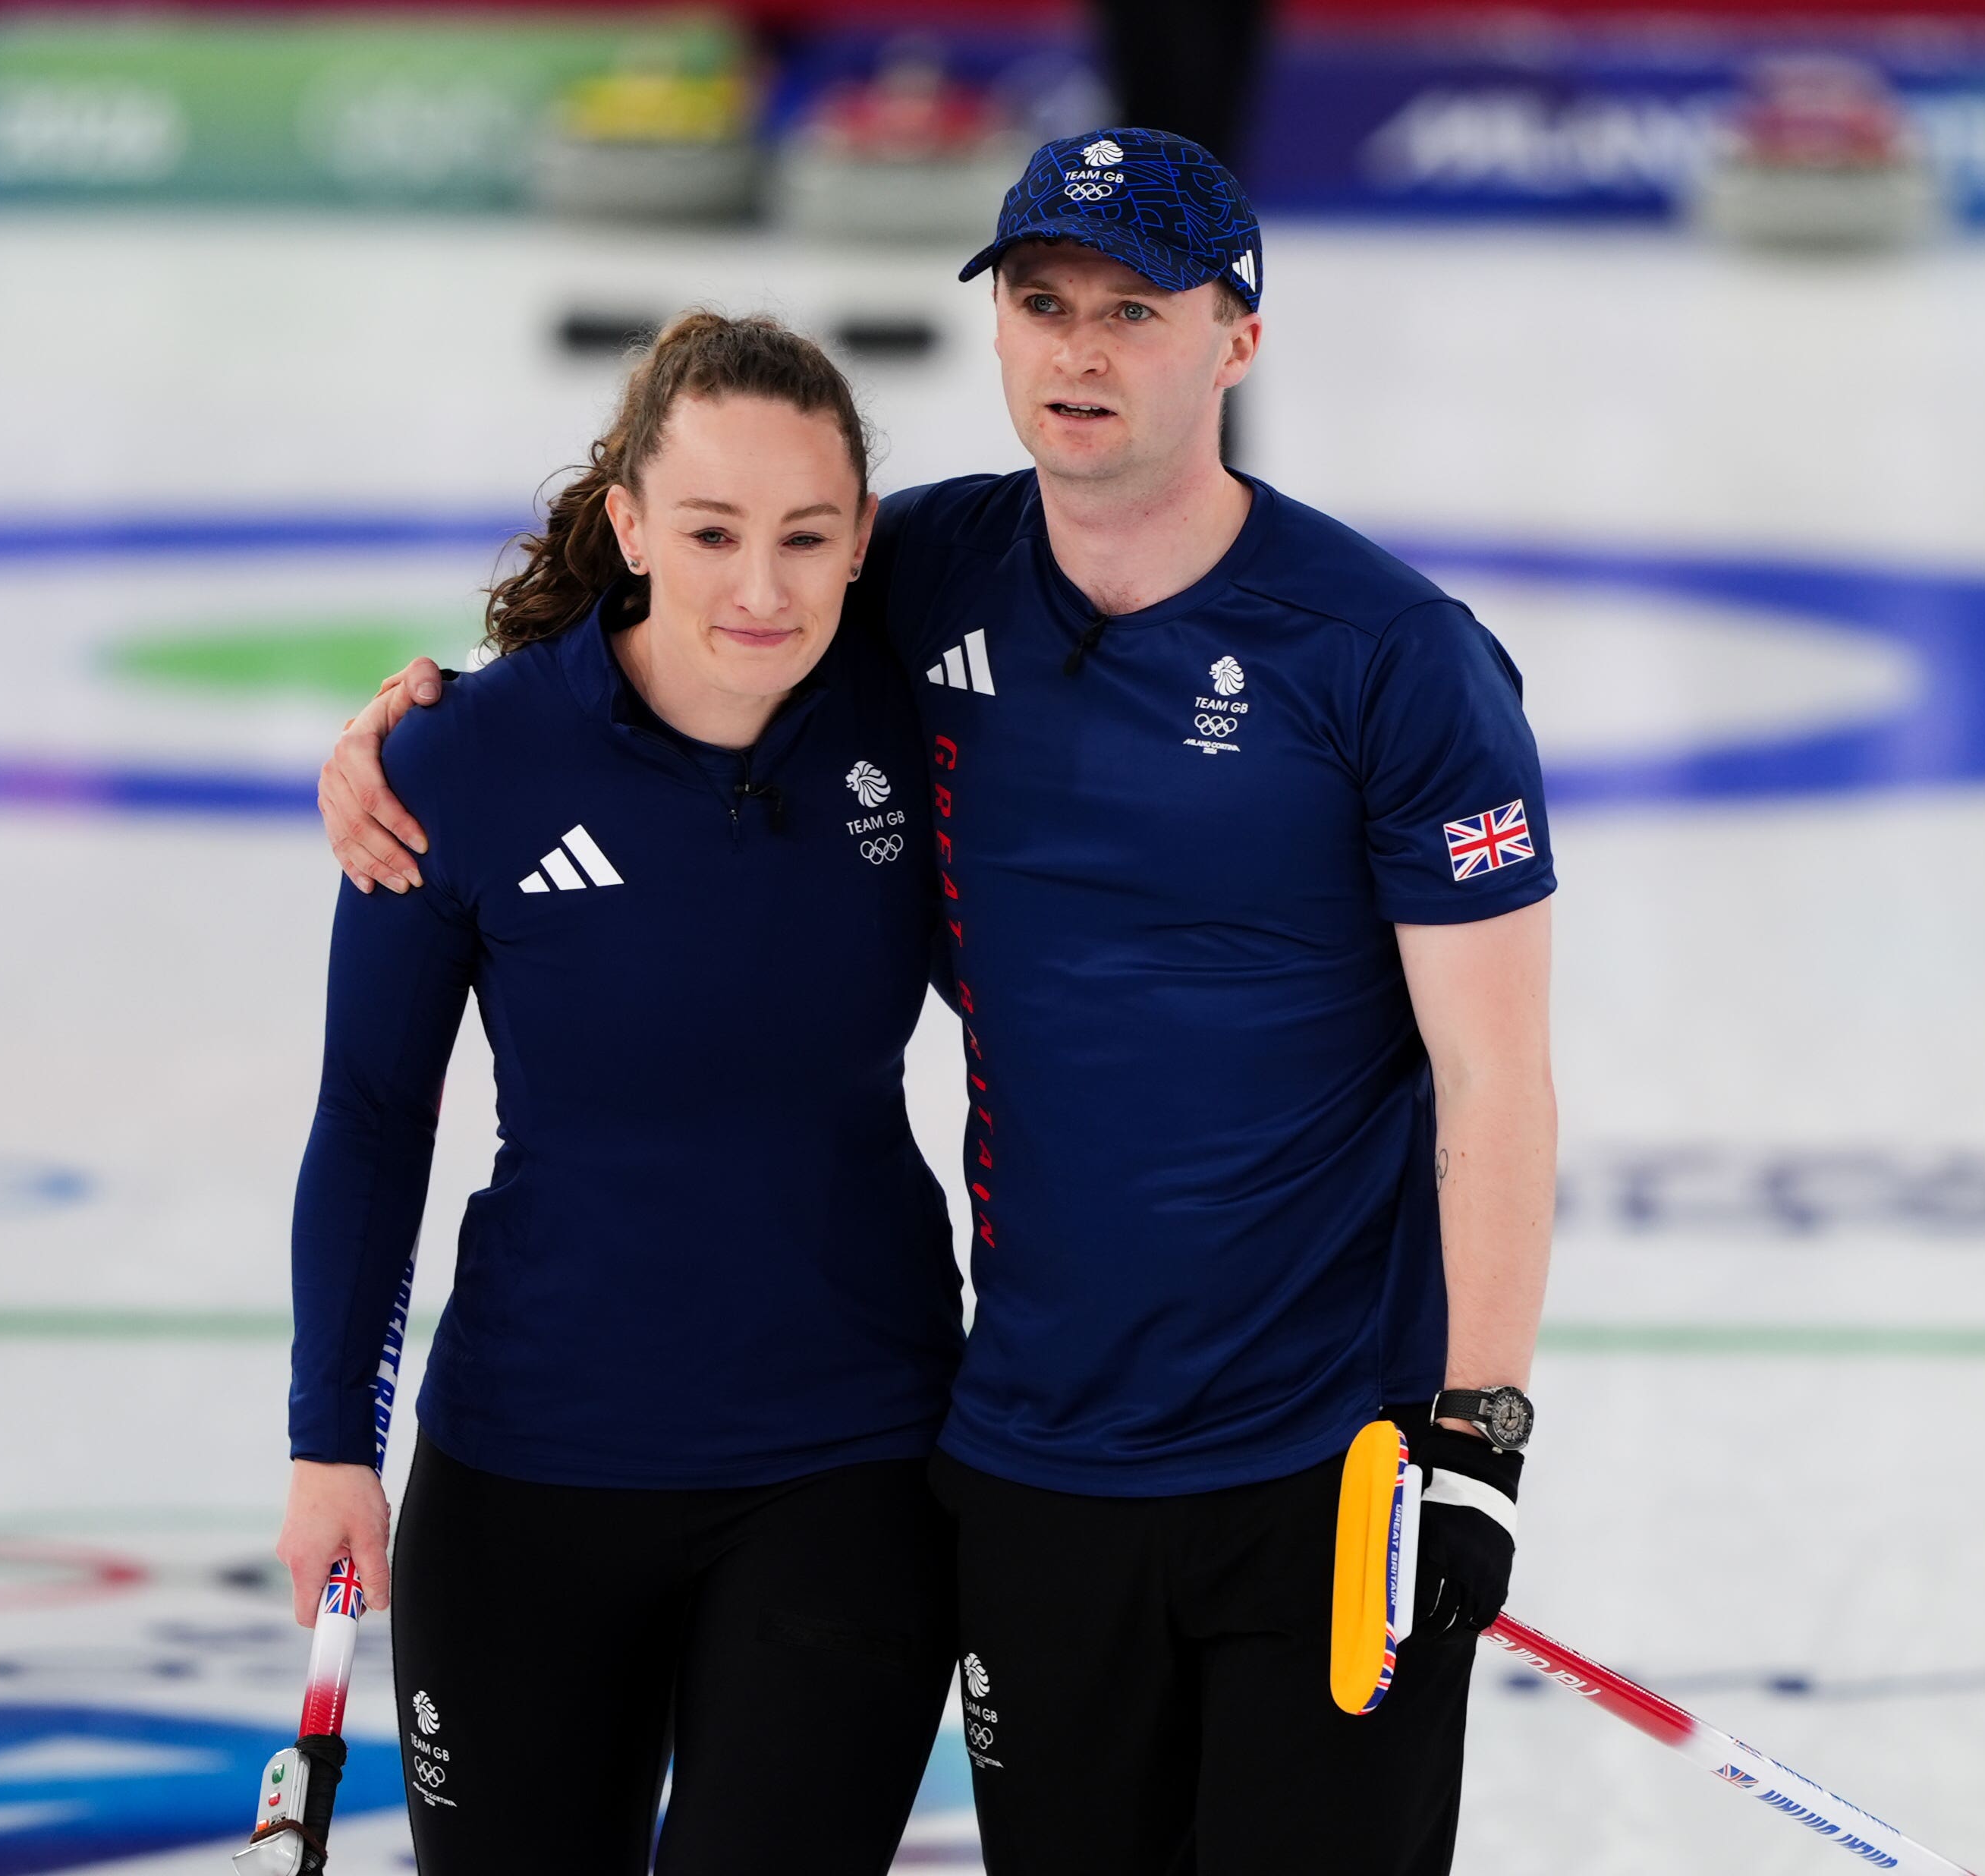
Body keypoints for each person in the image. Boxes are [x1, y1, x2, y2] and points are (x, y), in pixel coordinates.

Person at [325, 131, 1556, 1876]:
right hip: (1028, 1462)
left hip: (1323, 1461)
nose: (1079, 350)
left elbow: (1496, 1075)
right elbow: (696, 603)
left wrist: (1480, 1438)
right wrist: (430, 720)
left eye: (1136, 309)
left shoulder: (1390, 656)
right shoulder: (920, 574)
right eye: (1043, 305)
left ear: (1240, 339)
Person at [275, 312, 965, 1875]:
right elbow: (375, 1115)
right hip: (530, 1477)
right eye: (713, 532)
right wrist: (332, 1443)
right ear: (630, 524)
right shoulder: (459, 765)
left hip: (850, 1468)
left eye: (807, 536)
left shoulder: (922, 722)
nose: (762, 588)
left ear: (866, 536)